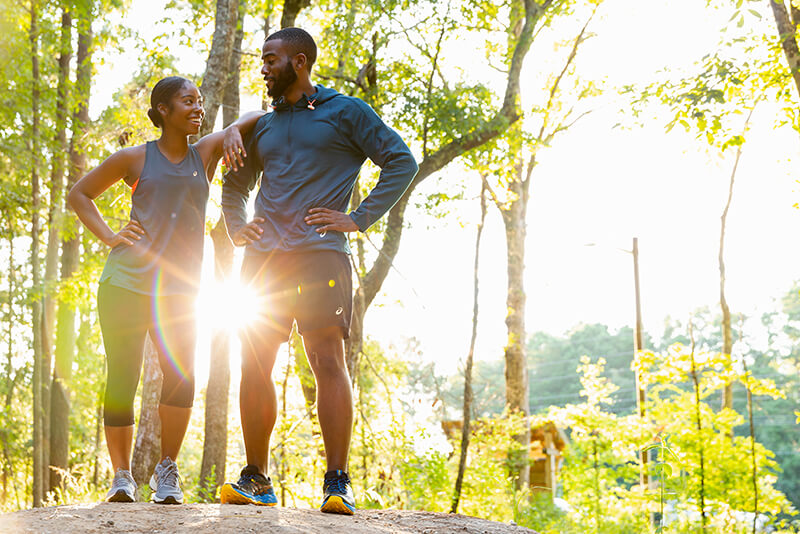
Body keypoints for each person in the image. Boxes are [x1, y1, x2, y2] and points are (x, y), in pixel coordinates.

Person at [218, 27, 418, 515]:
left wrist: (357, 218)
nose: (262, 67)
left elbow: (401, 161)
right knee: (254, 363)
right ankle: (256, 478)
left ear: (299, 62)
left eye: (271, 59)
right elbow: (234, 186)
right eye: (262, 59)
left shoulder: (346, 112)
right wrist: (237, 226)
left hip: (320, 254)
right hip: (262, 262)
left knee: (326, 359)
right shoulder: (261, 125)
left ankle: (337, 482)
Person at [68, 76, 264, 504]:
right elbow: (79, 194)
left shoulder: (205, 153)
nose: (198, 107)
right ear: (162, 110)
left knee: (181, 376)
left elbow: (256, 117)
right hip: (126, 283)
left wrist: (232, 129)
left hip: (181, 291)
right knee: (123, 375)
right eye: (187, 101)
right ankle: (122, 476)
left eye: (200, 101)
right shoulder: (133, 159)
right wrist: (109, 236)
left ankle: (166, 471)